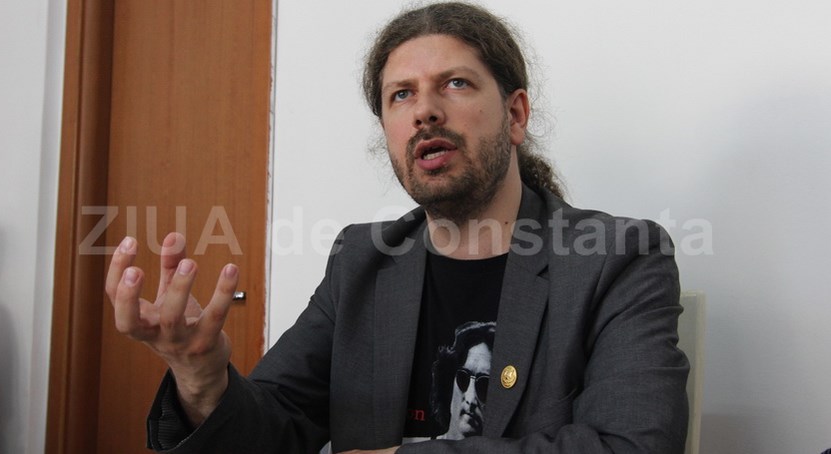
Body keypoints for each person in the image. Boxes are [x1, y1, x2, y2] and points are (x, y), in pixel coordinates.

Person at [106, 2, 689, 453]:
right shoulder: (362, 259)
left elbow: (633, 444)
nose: (425, 110)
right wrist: (202, 378)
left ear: (515, 115)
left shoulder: (617, 257)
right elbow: (274, 431)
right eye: (401, 95)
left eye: (455, 84)